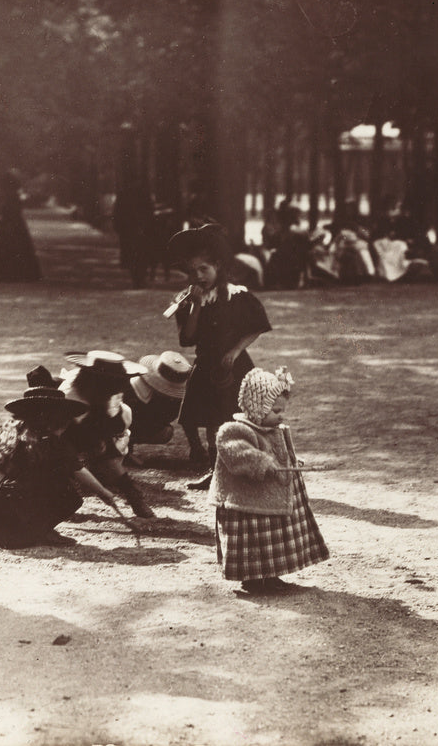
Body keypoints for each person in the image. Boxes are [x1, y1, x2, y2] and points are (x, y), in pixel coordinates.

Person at [0, 379, 137, 552]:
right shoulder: (52, 443)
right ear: (55, 420)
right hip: (8, 500)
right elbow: (79, 471)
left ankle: (15, 527)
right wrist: (104, 493)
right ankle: (39, 530)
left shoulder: (7, 430)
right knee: (67, 492)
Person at [165, 223, 272, 488]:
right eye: (193, 271)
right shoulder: (187, 300)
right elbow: (186, 339)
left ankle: (244, 469)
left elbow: (256, 327)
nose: (199, 275)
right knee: (212, 422)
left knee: (233, 418)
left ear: (218, 267)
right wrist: (197, 306)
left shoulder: (236, 296)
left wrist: (235, 352)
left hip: (233, 366)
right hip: (206, 365)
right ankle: (216, 474)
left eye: (204, 269)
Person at [208, 366, 329, 595]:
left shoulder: (273, 428)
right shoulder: (234, 430)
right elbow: (237, 454)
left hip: (268, 499)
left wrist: (291, 460)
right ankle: (252, 579)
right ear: (257, 406)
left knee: (271, 539)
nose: (280, 415)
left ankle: (271, 575)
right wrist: (261, 462)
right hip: (245, 501)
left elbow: (279, 450)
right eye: (275, 410)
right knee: (253, 541)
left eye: (282, 410)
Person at [59, 350, 157, 519]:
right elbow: (59, 438)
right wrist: (101, 491)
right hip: (63, 433)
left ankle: (132, 494)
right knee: (65, 460)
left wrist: (101, 442)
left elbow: (112, 424)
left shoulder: (109, 394)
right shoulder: (71, 397)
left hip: (90, 425)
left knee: (107, 453)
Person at [124, 351, 192, 455]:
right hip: (122, 423)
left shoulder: (170, 403)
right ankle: (125, 446)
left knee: (166, 432)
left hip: (141, 422)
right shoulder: (134, 387)